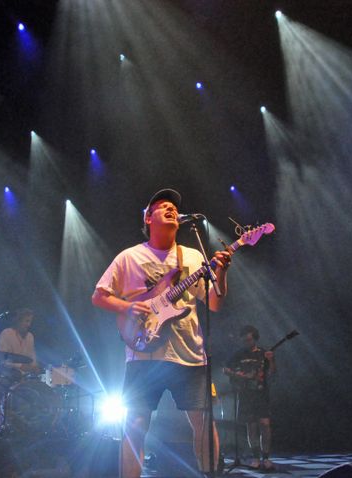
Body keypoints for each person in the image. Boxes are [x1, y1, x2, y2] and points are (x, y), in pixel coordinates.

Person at [92, 188, 233, 478]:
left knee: (204, 422)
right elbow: (99, 296)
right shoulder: (129, 257)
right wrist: (128, 308)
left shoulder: (192, 256)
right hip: (144, 353)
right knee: (135, 425)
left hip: (190, 355)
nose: (171, 209)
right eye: (162, 206)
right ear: (147, 218)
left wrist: (222, 272)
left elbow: (215, 303)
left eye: (173, 207)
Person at [223, 325, 276, 470]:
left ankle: (266, 457)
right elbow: (225, 369)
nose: (247, 342)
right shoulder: (239, 354)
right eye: (244, 340)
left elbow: (271, 373)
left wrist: (271, 360)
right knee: (251, 426)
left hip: (261, 394)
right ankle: (255, 457)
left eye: (249, 339)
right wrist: (239, 375)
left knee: (265, 424)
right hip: (245, 394)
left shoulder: (263, 353)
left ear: (255, 338)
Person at [0, 308, 40, 375]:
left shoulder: (30, 336)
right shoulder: (6, 333)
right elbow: (2, 358)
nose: (29, 325)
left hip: (25, 377)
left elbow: (32, 356)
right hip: (7, 375)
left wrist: (35, 367)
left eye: (30, 322)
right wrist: (20, 366)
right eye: (26, 321)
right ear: (18, 321)